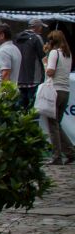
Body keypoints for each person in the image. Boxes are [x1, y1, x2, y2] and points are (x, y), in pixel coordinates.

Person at [42, 30, 74, 165]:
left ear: (53, 41)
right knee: (57, 124)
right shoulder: (68, 54)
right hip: (65, 91)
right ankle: (70, 152)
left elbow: (50, 72)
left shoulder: (55, 53)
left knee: (52, 124)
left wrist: (45, 62)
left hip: (54, 91)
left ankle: (57, 156)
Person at [14, 19, 47, 109]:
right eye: (41, 27)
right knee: (33, 109)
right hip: (34, 79)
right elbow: (43, 57)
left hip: (19, 78)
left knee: (21, 108)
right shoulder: (37, 38)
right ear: (36, 27)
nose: (41, 29)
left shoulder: (17, 37)